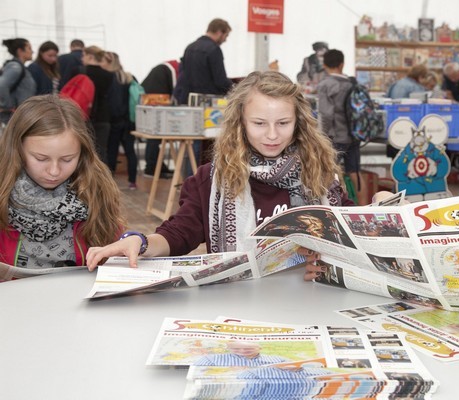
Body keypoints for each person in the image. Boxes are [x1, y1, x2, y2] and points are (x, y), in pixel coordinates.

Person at [85, 71, 354, 269]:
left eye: (283, 123)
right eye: (259, 123)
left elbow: (349, 226)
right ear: (240, 122)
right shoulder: (210, 180)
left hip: (308, 299)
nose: (272, 135)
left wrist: (381, 208)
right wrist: (139, 242)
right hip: (241, 301)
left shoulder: (318, 173)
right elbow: (178, 234)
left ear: (299, 123)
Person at [0, 95, 125, 269]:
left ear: (82, 153)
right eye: (41, 158)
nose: (54, 171)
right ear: (16, 149)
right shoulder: (3, 192)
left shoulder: (96, 191)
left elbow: (116, 253)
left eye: (67, 159)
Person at [316, 49, 360, 193]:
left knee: (328, 173)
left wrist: (321, 136)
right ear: (342, 64)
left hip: (335, 137)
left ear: (325, 65)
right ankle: (366, 206)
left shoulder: (326, 85)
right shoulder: (352, 83)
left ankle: (336, 205)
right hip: (354, 135)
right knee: (355, 173)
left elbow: (326, 114)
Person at [71, 45, 115, 164]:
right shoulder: (110, 76)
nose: (82, 58)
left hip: (80, 116)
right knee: (100, 152)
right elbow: (112, 98)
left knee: (80, 151)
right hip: (103, 117)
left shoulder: (78, 71)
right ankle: (101, 181)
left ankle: (80, 181)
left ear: (90, 56)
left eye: (83, 55)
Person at [174, 18, 233, 105]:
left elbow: (183, 74)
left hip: (188, 100)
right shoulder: (214, 50)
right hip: (207, 103)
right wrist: (235, 88)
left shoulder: (190, 47)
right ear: (220, 32)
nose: (225, 40)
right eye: (226, 35)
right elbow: (220, 80)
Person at [102, 51, 139, 190]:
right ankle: (133, 181)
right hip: (129, 120)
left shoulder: (109, 78)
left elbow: (113, 102)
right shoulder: (129, 77)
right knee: (130, 151)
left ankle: (110, 182)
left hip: (114, 120)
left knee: (112, 150)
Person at [141, 60, 180, 178]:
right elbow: (176, 90)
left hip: (149, 100)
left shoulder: (165, 67)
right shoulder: (174, 69)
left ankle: (156, 167)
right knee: (155, 136)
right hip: (157, 100)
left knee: (154, 136)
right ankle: (152, 168)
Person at [0, 38, 36, 125]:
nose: (32, 51)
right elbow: (1, 85)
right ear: (20, 51)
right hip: (14, 118)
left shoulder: (20, 67)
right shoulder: (15, 67)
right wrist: (7, 107)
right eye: (29, 48)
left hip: (20, 116)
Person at [194, 341, 289, 367]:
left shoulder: (279, 360)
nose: (243, 351)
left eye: (249, 348)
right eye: (236, 348)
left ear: (260, 348)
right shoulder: (210, 359)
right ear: (229, 348)